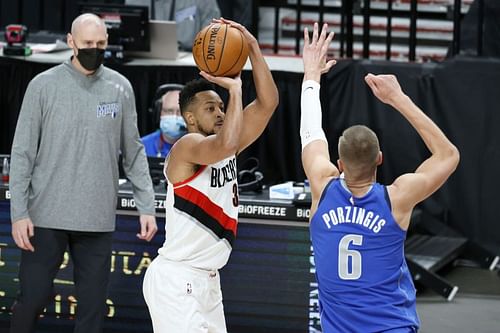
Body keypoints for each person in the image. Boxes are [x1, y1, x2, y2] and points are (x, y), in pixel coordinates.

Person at [300, 23, 460, 332]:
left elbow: (309, 130)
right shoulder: (396, 199)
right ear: (380, 159)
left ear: (339, 164)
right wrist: (398, 98)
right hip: (392, 326)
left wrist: (311, 75)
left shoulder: (322, 185)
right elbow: (448, 155)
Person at [9, 13, 158, 333]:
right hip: (45, 218)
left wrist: (146, 205)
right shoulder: (42, 86)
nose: (95, 49)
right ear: (71, 42)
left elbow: (133, 152)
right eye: (88, 43)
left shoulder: (120, 87)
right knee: (31, 300)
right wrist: (18, 212)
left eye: (101, 44)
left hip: (96, 220)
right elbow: (22, 153)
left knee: (91, 313)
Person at [142, 18, 278, 333]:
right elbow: (226, 142)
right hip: (177, 281)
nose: (219, 113)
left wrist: (252, 48)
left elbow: (269, 103)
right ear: (189, 117)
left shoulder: (225, 143)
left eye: (221, 107)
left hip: (208, 280)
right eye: (210, 109)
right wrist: (235, 91)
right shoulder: (187, 146)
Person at [125, 0, 220, 51]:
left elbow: (212, 40)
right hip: (144, 67)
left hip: (189, 67)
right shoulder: (133, 1)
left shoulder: (204, 2)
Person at [141, 84, 187, 157]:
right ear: (158, 114)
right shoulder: (142, 147)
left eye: (180, 112)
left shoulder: (201, 147)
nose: (174, 117)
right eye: (169, 111)